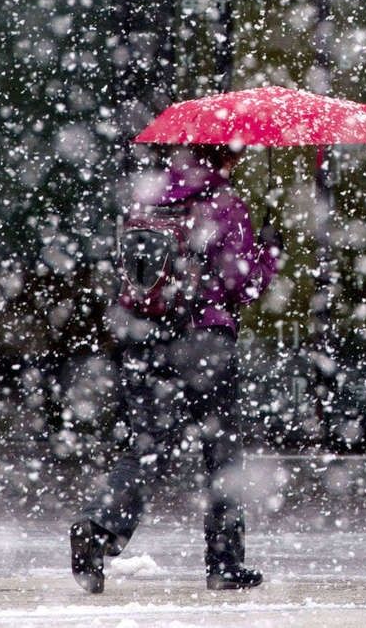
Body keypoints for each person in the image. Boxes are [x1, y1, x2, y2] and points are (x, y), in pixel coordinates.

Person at [70, 145, 280, 593]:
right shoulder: (225, 205)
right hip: (204, 340)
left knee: (147, 444)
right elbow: (242, 287)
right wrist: (269, 251)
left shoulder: (146, 199)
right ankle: (224, 564)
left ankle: (100, 525)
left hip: (148, 337)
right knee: (221, 454)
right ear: (228, 156)